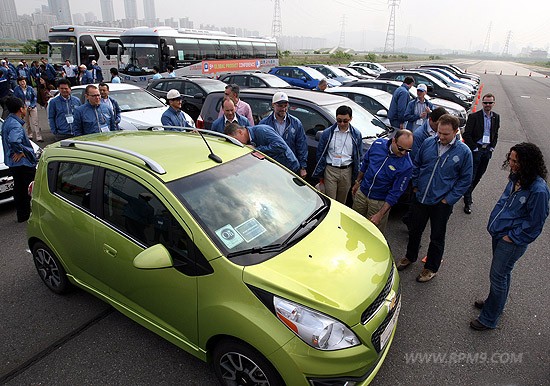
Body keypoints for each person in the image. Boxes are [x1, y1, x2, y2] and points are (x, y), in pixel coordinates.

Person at [470, 143, 549, 331]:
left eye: (516, 161)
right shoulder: (517, 177)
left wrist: (512, 237)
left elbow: (536, 223)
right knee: (502, 274)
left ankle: (489, 319)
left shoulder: (539, 190)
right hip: (499, 233)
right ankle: (495, 304)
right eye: (511, 159)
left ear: (527, 163)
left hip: (511, 241)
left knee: (498, 276)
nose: (511, 164)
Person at [396, 114, 473, 282]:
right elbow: (416, 164)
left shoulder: (463, 152)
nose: (441, 137)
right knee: (415, 230)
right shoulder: (428, 143)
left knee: (437, 237)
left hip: (441, 203)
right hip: (420, 197)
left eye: (446, 134)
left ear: (455, 131)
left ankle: (431, 267)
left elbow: (465, 179)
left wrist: (449, 199)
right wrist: (415, 185)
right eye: (439, 132)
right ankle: (410, 256)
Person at [351, 129, 414, 233]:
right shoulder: (378, 144)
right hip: (362, 193)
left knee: (372, 234)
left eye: (408, 150)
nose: (403, 153)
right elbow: (365, 163)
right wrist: (357, 182)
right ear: (394, 140)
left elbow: (395, 193)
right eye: (400, 148)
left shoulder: (406, 166)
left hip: (379, 202)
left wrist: (380, 214)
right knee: (353, 226)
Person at [312, 105, 364, 204]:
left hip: (346, 171)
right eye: (339, 120)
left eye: (345, 121)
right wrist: (320, 174)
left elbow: (359, 156)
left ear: (351, 119)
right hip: (331, 170)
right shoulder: (328, 133)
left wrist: (357, 176)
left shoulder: (356, 134)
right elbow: (320, 154)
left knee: (342, 202)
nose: (342, 123)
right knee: (330, 200)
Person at [462, 93, 500, 214]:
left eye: (490, 103)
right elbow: (466, 134)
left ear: (493, 104)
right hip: (476, 150)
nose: (487, 105)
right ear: (482, 103)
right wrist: (474, 148)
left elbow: (495, 134)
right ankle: (467, 201)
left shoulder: (496, 117)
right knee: (471, 176)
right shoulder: (474, 117)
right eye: (485, 103)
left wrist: (492, 147)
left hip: (487, 150)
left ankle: (468, 193)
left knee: (479, 175)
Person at [0, 96, 37, 222]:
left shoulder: (8, 121)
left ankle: (22, 215)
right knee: (28, 188)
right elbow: (14, 140)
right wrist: (20, 152)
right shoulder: (15, 125)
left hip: (14, 164)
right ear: (21, 109)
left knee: (19, 188)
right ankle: (28, 213)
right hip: (23, 164)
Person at [259, 91, 308, 178]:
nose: (283, 109)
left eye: (285, 106)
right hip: (271, 166)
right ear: (273, 105)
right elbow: (260, 145)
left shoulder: (295, 123)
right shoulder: (264, 123)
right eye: (280, 106)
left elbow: (301, 146)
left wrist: (303, 167)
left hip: (291, 165)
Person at [224, 122, 300, 173]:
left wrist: (257, 149)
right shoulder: (250, 140)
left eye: (235, 139)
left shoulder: (262, 131)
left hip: (290, 168)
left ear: (240, 132)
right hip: (277, 170)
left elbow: (281, 146)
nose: (236, 142)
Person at [13, 77, 41, 142]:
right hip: (23, 107)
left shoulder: (30, 88)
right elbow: (16, 98)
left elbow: (34, 97)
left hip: (32, 106)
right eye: (20, 82)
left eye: (23, 81)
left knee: (35, 121)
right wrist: (22, 105)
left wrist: (32, 105)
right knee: (26, 122)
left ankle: (38, 136)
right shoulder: (17, 89)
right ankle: (29, 135)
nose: (22, 83)